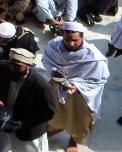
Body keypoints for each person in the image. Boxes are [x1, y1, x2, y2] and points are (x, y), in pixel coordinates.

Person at [41, 22, 108, 152]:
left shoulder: (94, 58)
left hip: (80, 94)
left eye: (75, 40)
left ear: (82, 37)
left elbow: (99, 80)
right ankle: (56, 128)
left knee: (79, 117)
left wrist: (76, 86)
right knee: (55, 110)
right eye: (67, 39)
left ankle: (75, 138)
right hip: (57, 86)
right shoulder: (54, 47)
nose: (70, 43)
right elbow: (46, 60)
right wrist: (56, 71)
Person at [0, 49, 55, 152]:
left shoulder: (41, 86)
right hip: (2, 121)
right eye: (11, 64)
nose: (12, 68)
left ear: (29, 66)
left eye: (18, 66)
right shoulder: (3, 67)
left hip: (26, 130)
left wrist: (23, 123)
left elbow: (48, 112)